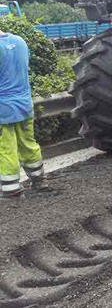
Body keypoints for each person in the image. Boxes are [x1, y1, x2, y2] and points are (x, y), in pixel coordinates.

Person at [0, 28, 49, 199]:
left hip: (3, 108)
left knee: (6, 148)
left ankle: (11, 188)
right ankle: (39, 180)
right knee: (28, 142)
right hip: (24, 103)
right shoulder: (20, 41)